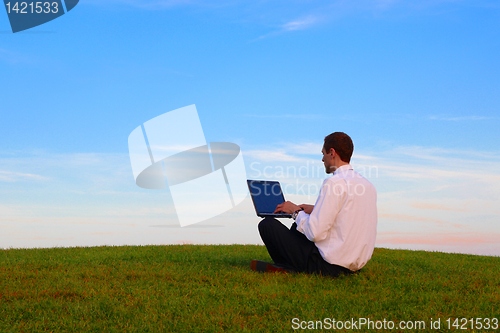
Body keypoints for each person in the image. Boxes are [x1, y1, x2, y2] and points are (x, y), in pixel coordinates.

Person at [251, 132, 377, 277]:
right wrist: (316, 209)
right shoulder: (367, 186)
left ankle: (288, 267)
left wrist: (295, 212)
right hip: (353, 266)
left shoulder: (334, 183)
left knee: (267, 225)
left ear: (332, 152)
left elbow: (315, 233)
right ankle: (289, 264)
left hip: (328, 266)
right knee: (296, 228)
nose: (322, 159)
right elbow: (349, 214)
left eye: (323, 153)